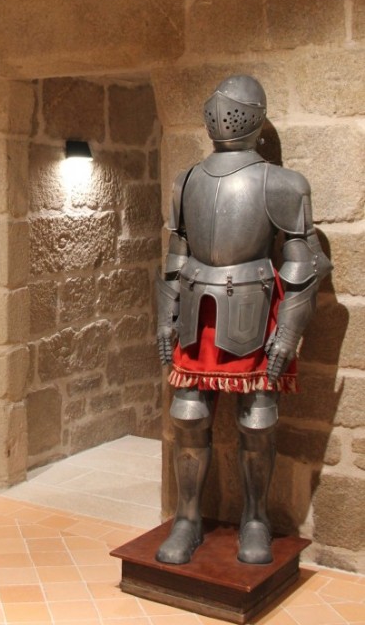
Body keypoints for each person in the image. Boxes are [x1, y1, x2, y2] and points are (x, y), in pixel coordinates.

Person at [155, 75, 331, 565]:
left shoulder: (282, 182)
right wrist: (163, 319)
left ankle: (256, 518)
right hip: (197, 309)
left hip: (256, 309)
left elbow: (305, 264)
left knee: (257, 421)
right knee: (188, 416)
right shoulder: (186, 181)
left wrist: (288, 334)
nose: (221, 117)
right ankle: (187, 518)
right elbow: (175, 257)